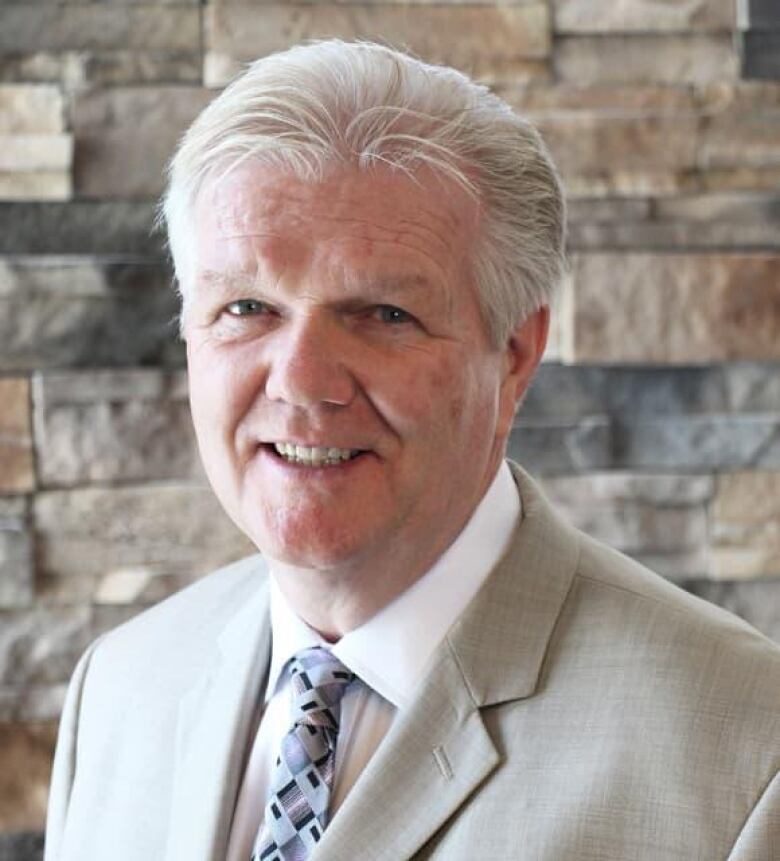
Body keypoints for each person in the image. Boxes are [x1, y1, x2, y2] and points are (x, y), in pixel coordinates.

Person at [45, 40, 779, 861]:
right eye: (247, 306)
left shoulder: (746, 757)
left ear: (513, 354)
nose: (302, 381)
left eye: (384, 314)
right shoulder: (121, 685)